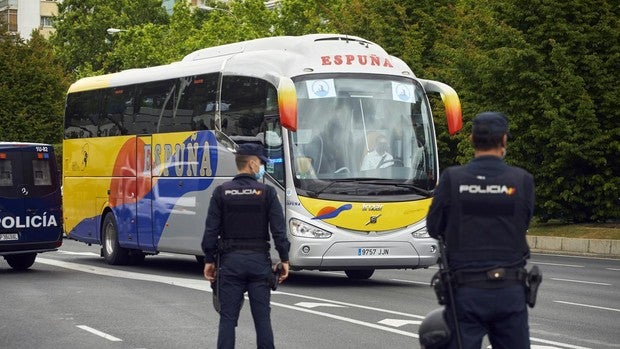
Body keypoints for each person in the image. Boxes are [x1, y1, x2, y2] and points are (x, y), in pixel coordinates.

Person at [426, 111, 535, 348]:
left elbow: (433, 227)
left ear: (472, 139)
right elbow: (522, 222)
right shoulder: (522, 180)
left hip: (466, 291)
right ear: (504, 140)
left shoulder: (452, 179)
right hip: (510, 290)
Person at [202, 143, 290, 349]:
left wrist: (209, 260)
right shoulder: (267, 193)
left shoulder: (221, 193)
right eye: (260, 163)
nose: (261, 168)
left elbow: (210, 232)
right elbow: (279, 231)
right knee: (262, 321)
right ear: (251, 164)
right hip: (259, 263)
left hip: (230, 263)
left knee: (227, 320)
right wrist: (284, 259)